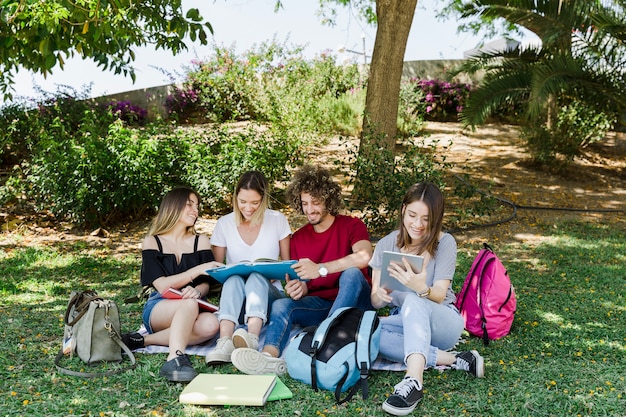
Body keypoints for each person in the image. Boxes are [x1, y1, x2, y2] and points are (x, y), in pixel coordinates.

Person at [231, 164, 373, 375]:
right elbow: (304, 282)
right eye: (304, 203)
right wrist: (301, 288)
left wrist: (321, 269)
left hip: (355, 305)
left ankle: (323, 340)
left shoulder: (351, 225)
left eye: (315, 203)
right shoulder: (298, 238)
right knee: (281, 304)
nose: (309, 210)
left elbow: (364, 256)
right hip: (321, 306)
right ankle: (268, 357)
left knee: (351, 273)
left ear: (329, 200)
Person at [369, 182, 485, 416]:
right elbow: (375, 301)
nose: (418, 225)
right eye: (412, 215)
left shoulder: (445, 243)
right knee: (366, 331)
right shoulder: (386, 244)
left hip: (442, 321)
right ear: (403, 210)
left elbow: (440, 294)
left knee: (414, 300)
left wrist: (420, 288)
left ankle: (413, 381)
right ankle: (455, 359)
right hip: (406, 323)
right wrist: (381, 295)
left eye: (426, 218)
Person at [122, 186, 223, 382]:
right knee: (189, 303)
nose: (196, 210)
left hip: (193, 306)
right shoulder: (152, 242)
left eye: (197, 206)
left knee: (211, 325)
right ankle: (175, 358)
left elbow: (206, 282)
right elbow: (161, 285)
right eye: (189, 205)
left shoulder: (200, 241)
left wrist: (197, 289)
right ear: (173, 207)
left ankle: (142, 340)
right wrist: (195, 271)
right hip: (159, 307)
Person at [205, 170, 291, 365]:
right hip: (236, 301)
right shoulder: (224, 224)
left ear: (264, 199)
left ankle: (251, 339)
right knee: (235, 278)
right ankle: (224, 342)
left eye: (255, 202)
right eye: (243, 202)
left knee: (256, 277)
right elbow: (218, 272)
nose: (248, 208)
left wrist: (270, 273)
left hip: (269, 297)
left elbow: (288, 267)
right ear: (235, 197)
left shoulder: (277, 220)